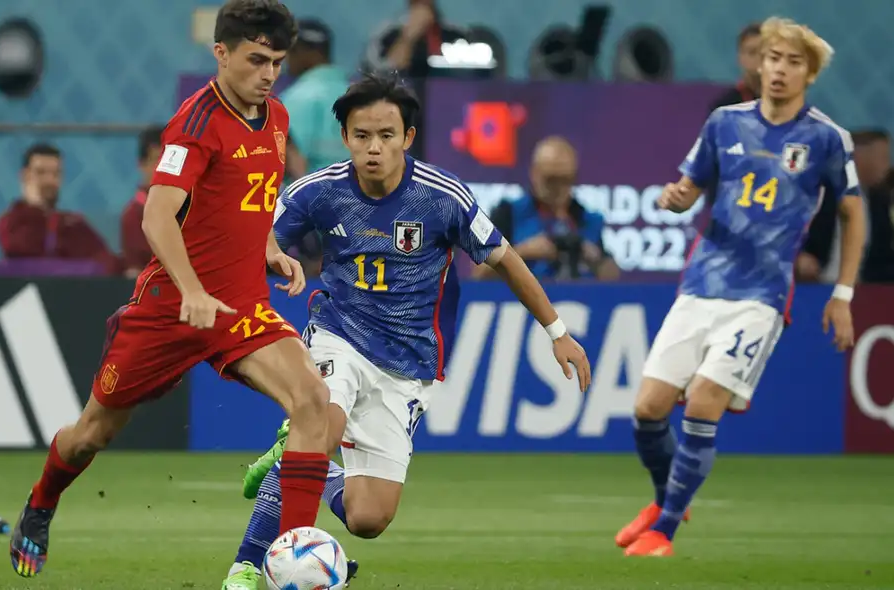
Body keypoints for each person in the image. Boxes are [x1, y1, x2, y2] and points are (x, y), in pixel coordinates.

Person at [220, 72, 592, 590]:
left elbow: (505, 258)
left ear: (408, 138)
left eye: (386, 136)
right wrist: (270, 254)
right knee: (318, 427)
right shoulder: (319, 191)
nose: (374, 148)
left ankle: (296, 461)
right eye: (362, 136)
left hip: (407, 363)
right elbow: (255, 235)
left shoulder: (443, 198)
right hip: (338, 336)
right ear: (346, 137)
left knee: (368, 518)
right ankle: (248, 564)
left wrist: (557, 332)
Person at [8, 0, 335, 579]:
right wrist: (189, 289)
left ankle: (293, 564)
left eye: (277, 62)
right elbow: (157, 218)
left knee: (313, 402)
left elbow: (246, 201)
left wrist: (269, 250)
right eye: (257, 60)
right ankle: (41, 502)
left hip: (240, 309)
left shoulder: (277, 119)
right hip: (168, 311)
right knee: (90, 436)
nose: (267, 74)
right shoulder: (195, 122)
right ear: (222, 53)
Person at [616, 17, 865, 557]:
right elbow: (689, 186)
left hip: (760, 298)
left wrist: (843, 294)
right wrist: (675, 198)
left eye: (793, 62)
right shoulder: (724, 123)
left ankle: (666, 532)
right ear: (759, 63)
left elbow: (852, 212)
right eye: (772, 58)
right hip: (702, 285)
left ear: (810, 73)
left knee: (703, 403)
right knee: (647, 409)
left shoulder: (825, 138)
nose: (778, 69)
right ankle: (665, 500)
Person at [478, 136, 620, 281]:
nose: (558, 188)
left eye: (565, 180)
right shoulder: (508, 214)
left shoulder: (588, 220)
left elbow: (614, 278)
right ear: (534, 173)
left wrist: (595, 259)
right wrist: (522, 252)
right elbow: (479, 273)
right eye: (550, 180)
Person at [0, 143, 122, 274]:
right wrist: (35, 208)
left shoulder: (72, 224)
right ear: (25, 176)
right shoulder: (10, 222)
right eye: (41, 173)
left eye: (56, 173)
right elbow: (21, 250)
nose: (49, 180)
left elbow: (105, 261)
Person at [278, 18, 349, 179]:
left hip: (310, 199)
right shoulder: (356, 95)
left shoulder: (297, 97)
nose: (286, 59)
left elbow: (293, 161)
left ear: (307, 53)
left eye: (291, 51)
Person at [120, 125, 164, 276]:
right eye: (158, 161)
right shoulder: (133, 215)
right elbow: (134, 272)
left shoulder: (193, 208)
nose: (166, 169)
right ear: (142, 165)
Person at [709, 23, 762, 111]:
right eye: (752, 52)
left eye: (764, 52)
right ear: (740, 58)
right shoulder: (725, 107)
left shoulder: (786, 103)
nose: (759, 58)